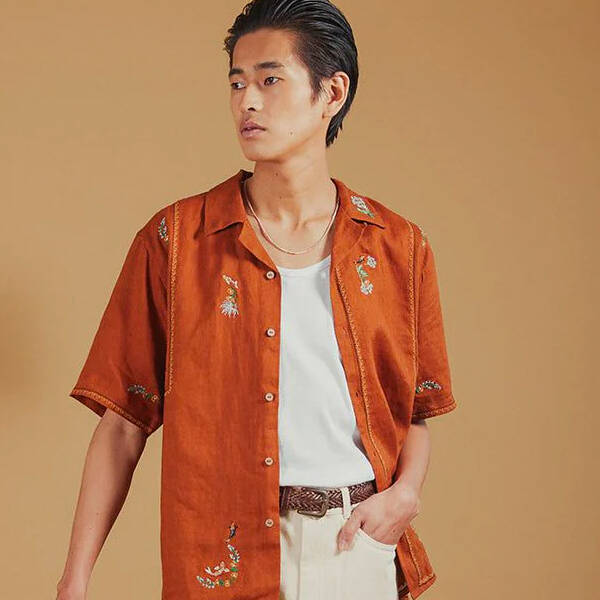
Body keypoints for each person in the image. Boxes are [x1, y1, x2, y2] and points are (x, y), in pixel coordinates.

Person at [56, 1, 457, 599]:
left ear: (332, 93)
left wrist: (406, 495)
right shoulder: (175, 243)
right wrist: (75, 579)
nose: (247, 101)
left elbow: (415, 409)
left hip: (355, 546)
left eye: (270, 80)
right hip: (222, 557)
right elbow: (122, 425)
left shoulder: (399, 247)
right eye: (237, 82)